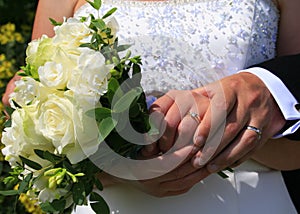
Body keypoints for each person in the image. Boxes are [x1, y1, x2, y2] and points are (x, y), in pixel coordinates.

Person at [2, 0, 300, 213]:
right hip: (113, 200)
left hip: (249, 195)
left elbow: (294, 139)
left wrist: (224, 132)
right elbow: (41, 117)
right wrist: (122, 167)